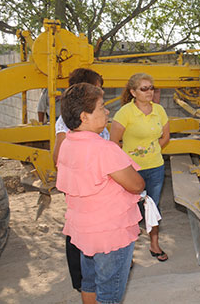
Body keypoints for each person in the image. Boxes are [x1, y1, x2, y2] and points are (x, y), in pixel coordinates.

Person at [56, 83, 144, 304]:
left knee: (90, 282)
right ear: (84, 116)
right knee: (109, 293)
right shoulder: (104, 149)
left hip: (85, 231)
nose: (106, 111)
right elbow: (136, 185)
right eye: (101, 107)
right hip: (110, 234)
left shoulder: (67, 144)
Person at [51, 68, 107, 293]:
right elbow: (59, 156)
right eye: (98, 85)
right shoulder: (68, 121)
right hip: (83, 184)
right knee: (79, 231)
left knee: (98, 229)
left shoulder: (94, 115)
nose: (102, 89)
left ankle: (103, 266)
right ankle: (81, 279)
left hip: (98, 183)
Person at [111, 73, 170, 262]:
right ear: (133, 92)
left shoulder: (159, 110)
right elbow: (113, 142)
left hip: (155, 167)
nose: (149, 92)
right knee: (129, 208)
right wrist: (130, 159)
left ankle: (154, 244)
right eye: (144, 88)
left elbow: (165, 137)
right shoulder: (125, 113)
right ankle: (125, 249)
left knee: (153, 206)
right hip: (131, 170)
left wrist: (150, 151)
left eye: (151, 88)